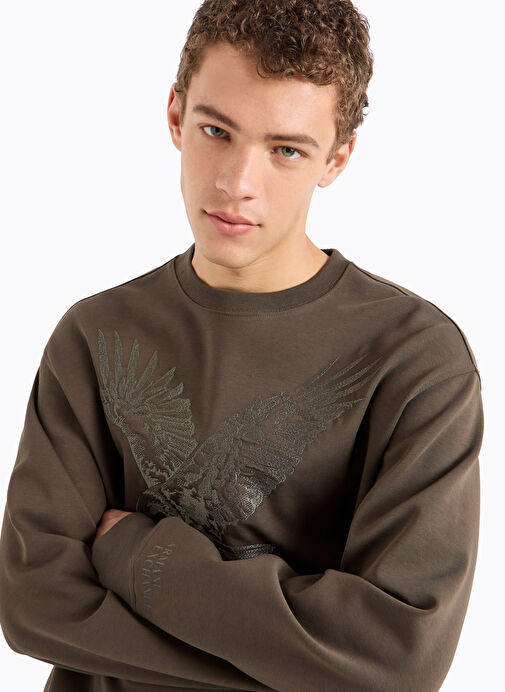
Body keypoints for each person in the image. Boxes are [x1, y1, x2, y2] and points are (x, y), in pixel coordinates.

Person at [0, 1, 484, 691]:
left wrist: (139, 556)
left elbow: (395, 661)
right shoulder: (96, 334)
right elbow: (35, 606)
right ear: (175, 115)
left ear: (336, 158)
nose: (236, 183)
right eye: (216, 130)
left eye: (286, 150)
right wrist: (308, 666)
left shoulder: (415, 358)